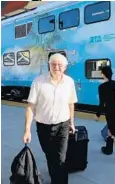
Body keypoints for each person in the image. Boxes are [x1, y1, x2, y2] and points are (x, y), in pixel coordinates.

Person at [23, 53, 78, 184]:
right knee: (50, 155)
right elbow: (30, 107)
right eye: (53, 64)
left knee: (61, 158)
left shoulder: (69, 82)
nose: (56, 67)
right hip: (43, 127)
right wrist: (27, 130)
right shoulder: (38, 82)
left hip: (62, 126)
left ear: (65, 67)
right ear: (49, 65)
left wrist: (71, 122)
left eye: (60, 65)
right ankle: (55, 175)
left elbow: (71, 104)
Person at [95, 66, 115, 163]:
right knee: (110, 130)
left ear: (103, 74)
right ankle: (108, 149)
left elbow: (101, 103)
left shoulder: (101, 87)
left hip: (110, 112)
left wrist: (97, 115)